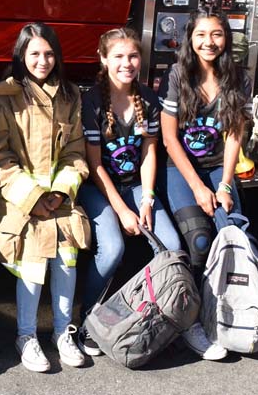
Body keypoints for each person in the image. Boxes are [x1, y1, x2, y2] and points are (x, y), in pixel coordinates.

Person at [0, 22, 90, 373]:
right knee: (33, 259)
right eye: (34, 54)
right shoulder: (3, 96)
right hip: (16, 197)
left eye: (49, 54)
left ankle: (61, 332)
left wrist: (59, 191)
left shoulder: (70, 95)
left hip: (59, 197)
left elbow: (75, 151)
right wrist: (33, 196)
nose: (42, 61)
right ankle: (26, 336)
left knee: (66, 257)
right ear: (20, 56)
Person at [76, 27, 182, 356]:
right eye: (119, 56)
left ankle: (152, 318)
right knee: (112, 249)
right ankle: (86, 320)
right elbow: (95, 166)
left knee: (171, 247)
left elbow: (150, 151)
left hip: (136, 184)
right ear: (104, 59)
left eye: (133, 56)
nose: (127, 63)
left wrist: (147, 198)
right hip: (99, 188)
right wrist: (122, 210)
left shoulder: (147, 99)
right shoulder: (92, 101)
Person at [158, 8, 252, 361]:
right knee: (199, 240)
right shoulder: (178, 75)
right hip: (181, 169)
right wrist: (198, 187)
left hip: (217, 168)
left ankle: (224, 315)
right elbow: (169, 139)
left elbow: (234, 135)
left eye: (216, 34)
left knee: (233, 235)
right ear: (190, 38)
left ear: (226, 38)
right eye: (201, 34)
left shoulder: (238, 78)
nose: (208, 41)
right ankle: (190, 324)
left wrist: (225, 184)